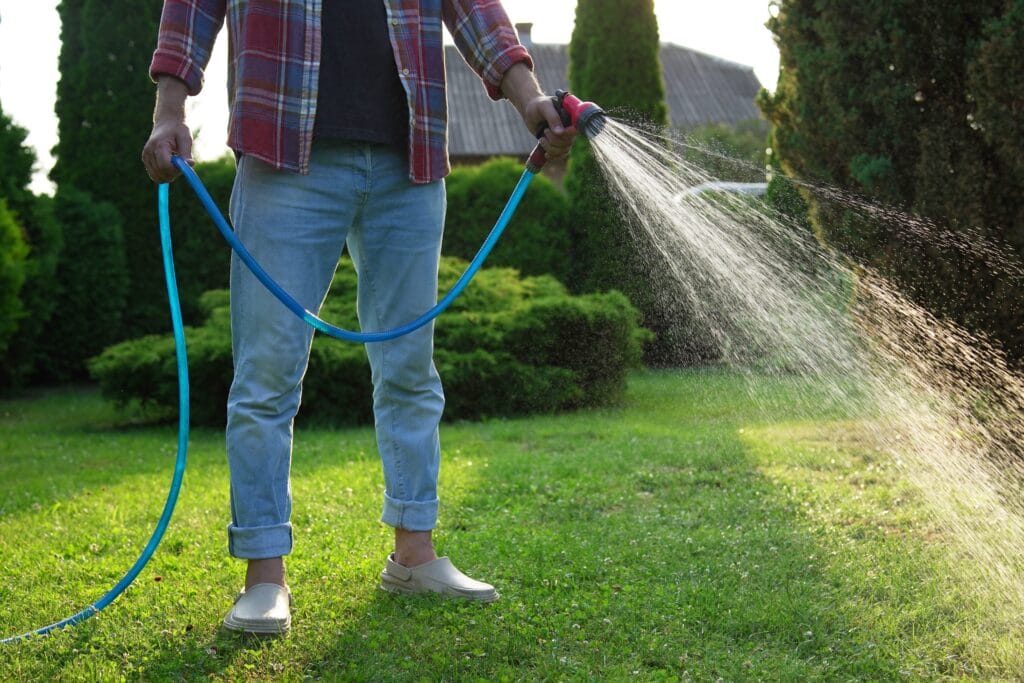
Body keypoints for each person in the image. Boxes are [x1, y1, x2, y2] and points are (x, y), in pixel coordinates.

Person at [142, 0, 576, 634]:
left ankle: (414, 555)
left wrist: (530, 98)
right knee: (266, 376)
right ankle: (264, 578)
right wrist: (169, 113)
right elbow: (191, 8)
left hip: (411, 160)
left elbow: (473, 9)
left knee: (409, 369)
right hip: (284, 157)